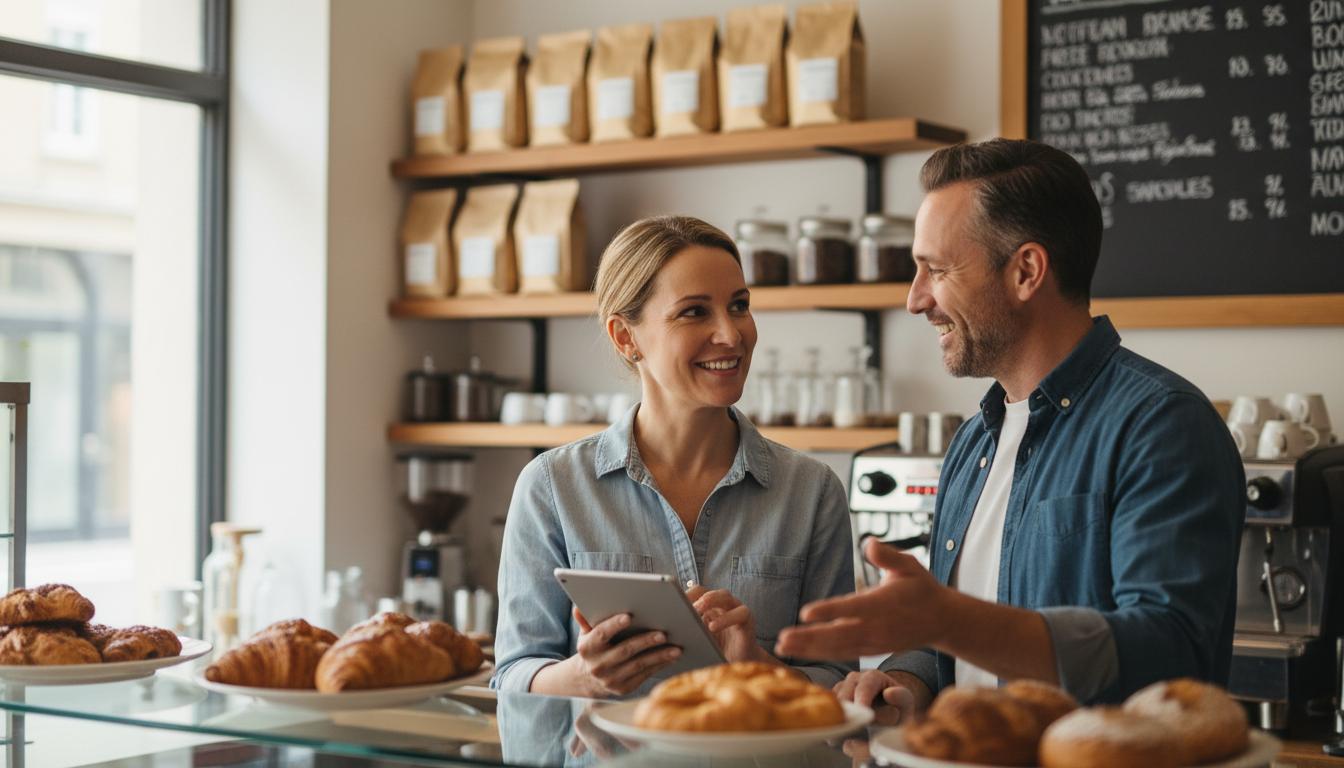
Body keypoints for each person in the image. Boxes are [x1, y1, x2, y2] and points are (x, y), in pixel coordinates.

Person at [775, 138, 1245, 721]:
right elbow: (964, 626)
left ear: (1026, 270)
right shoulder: (974, 441)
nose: (915, 300)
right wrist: (906, 676)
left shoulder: (1162, 425)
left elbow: (1169, 651)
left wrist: (947, 619)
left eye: (937, 270)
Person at [492, 215, 854, 698]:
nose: (731, 334)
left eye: (739, 306)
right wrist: (582, 677)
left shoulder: (812, 492)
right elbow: (512, 674)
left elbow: (838, 686)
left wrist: (756, 668)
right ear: (626, 337)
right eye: (694, 312)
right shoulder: (552, 486)